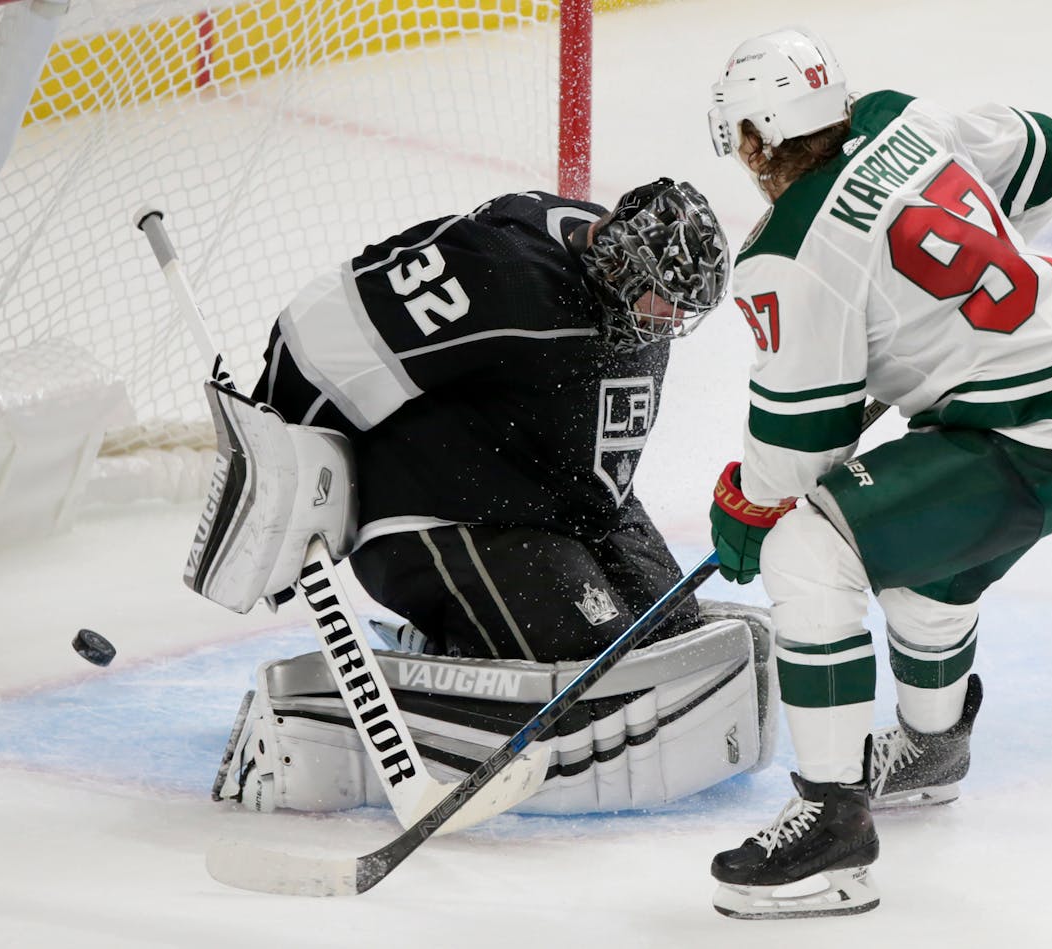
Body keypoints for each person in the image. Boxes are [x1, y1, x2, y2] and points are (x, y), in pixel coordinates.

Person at [703, 27, 1052, 919]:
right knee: (925, 556)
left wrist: (746, 505)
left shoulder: (790, 248)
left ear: (755, 140)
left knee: (806, 544)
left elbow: (798, 443)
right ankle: (933, 749)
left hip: (1023, 436)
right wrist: (949, 317)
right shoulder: (903, 119)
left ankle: (831, 828)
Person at [199, 179, 780, 818]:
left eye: (679, 309)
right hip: (444, 514)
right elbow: (322, 329)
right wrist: (275, 459)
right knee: (594, 675)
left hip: (557, 504)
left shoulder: (624, 297)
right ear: (615, 259)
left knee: (671, 643)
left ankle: (453, 654)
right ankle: (300, 723)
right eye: (659, 300)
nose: (665, 322)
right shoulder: (504, 274)